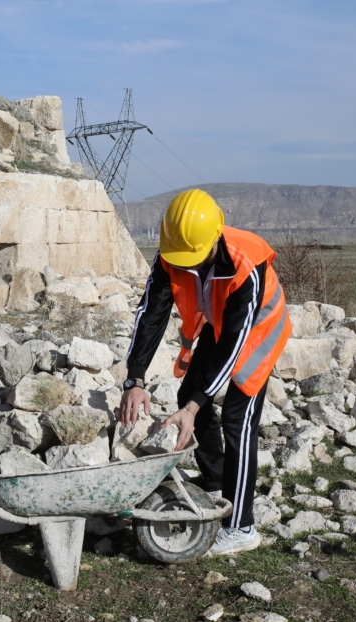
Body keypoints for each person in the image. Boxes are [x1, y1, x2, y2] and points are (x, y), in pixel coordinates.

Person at [117, 188, 291, 556]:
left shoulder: (247, 262)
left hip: (259, 327)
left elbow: (234, 345)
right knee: (187, 393)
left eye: (193, 259)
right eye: (181, 260)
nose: (187, 265)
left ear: (215, 237)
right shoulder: (172, 253)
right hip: (219, 319)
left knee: (237, 419)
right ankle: (214, 482)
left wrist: (196, 408)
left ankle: (241, 526)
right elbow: (151, 313)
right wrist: (134, 379)